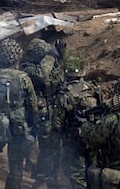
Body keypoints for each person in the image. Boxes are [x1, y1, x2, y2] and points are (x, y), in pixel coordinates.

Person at [0, 38, 39, 189]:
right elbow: (32, 107)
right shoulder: (23, 79)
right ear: (17, 56)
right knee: (16, 165)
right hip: (17, 126)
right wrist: (33, 131)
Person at [18, 38, 64, 187]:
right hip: (33, 112)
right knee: (33, 143)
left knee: (48, 145)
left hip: (46, 111)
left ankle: (44, 175)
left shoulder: (38, 65)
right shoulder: (27, 68)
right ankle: (35, 174)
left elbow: (53, 74)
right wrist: (51, 56)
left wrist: (59, 56)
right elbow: (42, 75)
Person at [52, 50, 100, 189]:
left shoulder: (65, 94)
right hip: (93, 139)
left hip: (73, 142)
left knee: (76, 175)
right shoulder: (94, 89)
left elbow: (57, 123)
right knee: (93, 172)